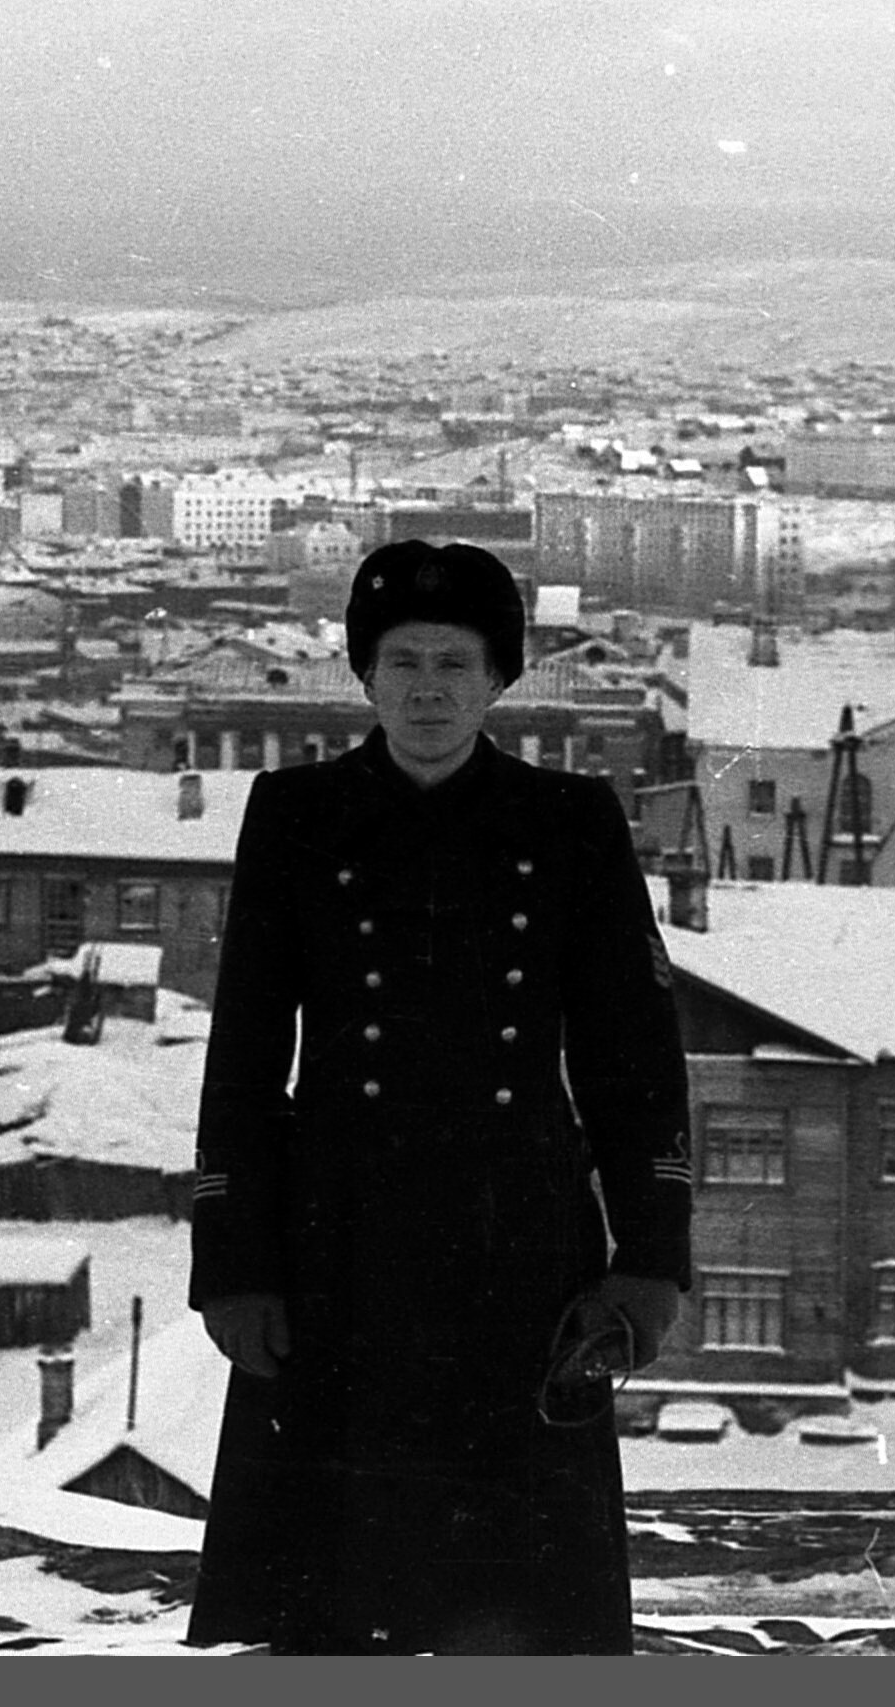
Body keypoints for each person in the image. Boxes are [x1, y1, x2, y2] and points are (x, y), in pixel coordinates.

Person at [184, 540, 693, 1654]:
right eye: (403, 661)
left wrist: (649, 1260)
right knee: (332, 1598)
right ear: (363, 675)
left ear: (498, 678)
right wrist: (234, 1264)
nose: (428, 689)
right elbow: (246, 1054)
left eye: (454, 663)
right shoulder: (295, 811)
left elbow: (632, 1058)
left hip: (521, 1240)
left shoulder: (569, 820)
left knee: (526, 1604)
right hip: (340, 1238)